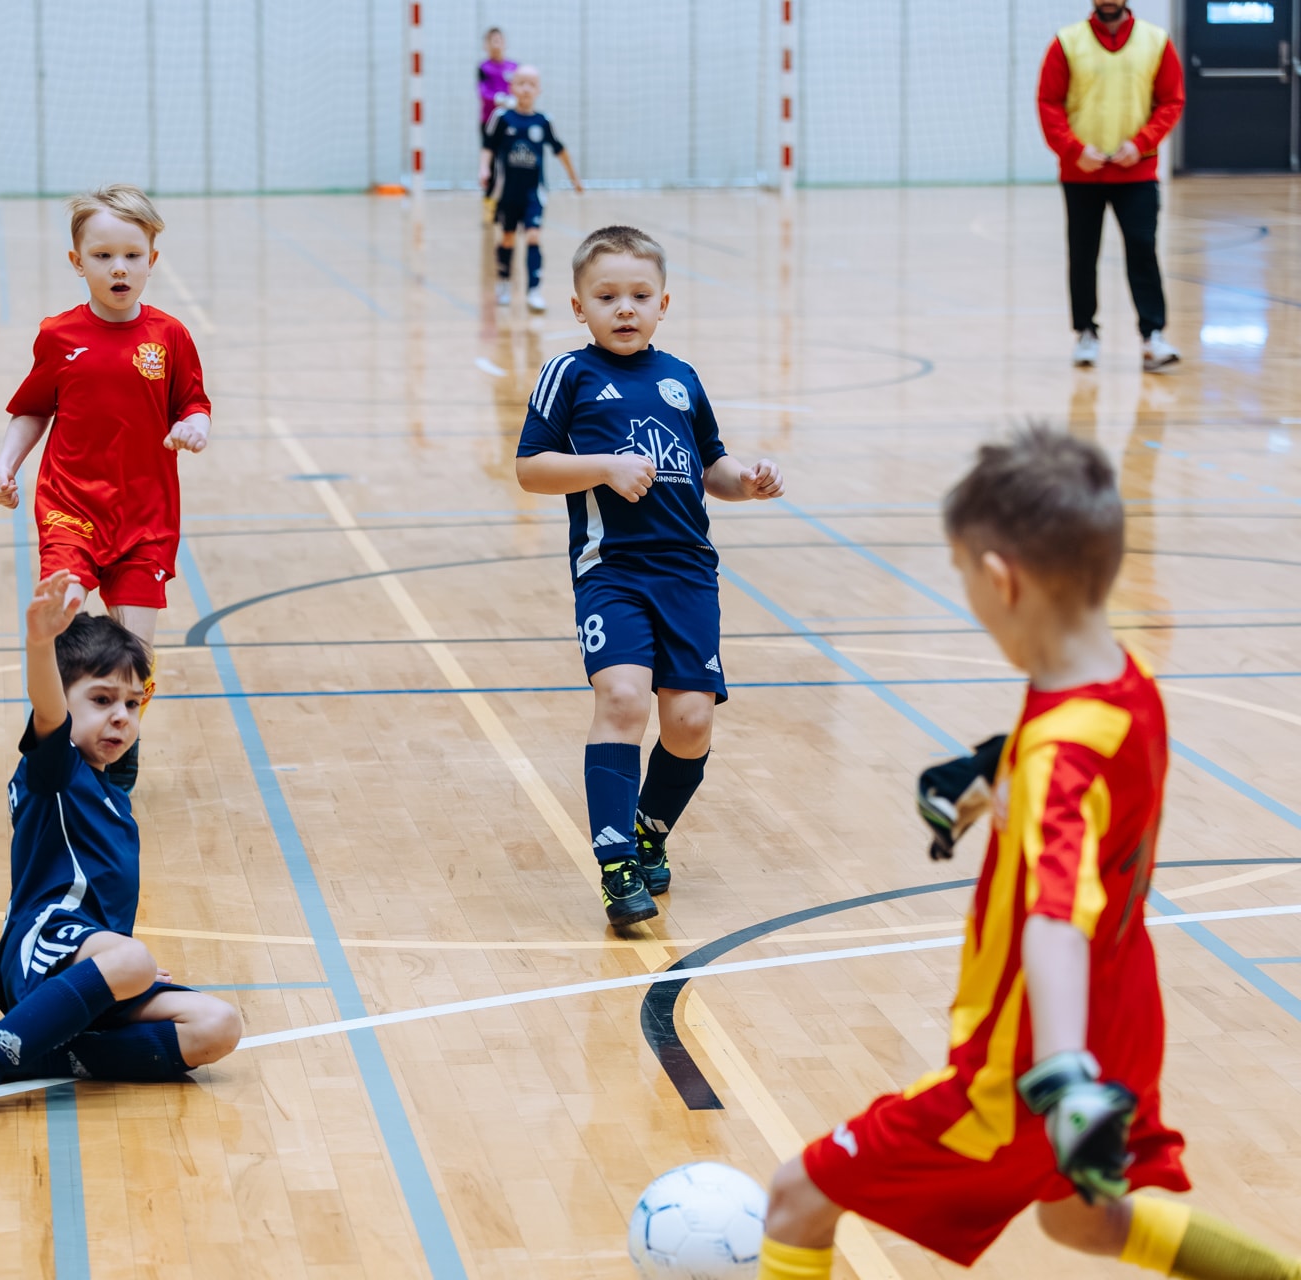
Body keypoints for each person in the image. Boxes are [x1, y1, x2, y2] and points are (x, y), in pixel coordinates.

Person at [757, 429, 1301, 1280]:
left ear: (1001, 579)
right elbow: (1085, 779)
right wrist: (990, 773)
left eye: (964, 576)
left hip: (1026, 1062)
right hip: (1121, 1017)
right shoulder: (1128, 682)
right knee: (1085, 1224)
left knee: (797, 1197)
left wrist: (1061, 1079)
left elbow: (1054, 920)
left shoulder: (1057, 759)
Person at [515, 226, 782, 926]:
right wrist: (604, 467)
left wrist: (747, 481)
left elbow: (711, 465)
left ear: (663, 303)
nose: (624, 308)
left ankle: (648, 832)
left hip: (689, 575)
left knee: (690, 723)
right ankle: (615, 866)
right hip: (613, 572)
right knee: (624, 698)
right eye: (606, 297)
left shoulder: (682, 378)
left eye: (639, 296)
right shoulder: (569, 375)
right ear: (579, 307)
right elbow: (530, 468)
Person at [0, 571, 242, 1125]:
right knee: (134, 959)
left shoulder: (112, 791)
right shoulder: (56, 772)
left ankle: (42, 1051)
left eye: (132, 704)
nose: (121, 716)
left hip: (93, 967)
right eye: (102, 699)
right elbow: (48, 709)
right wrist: (41, 643)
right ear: (64, 704)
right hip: (41, 948)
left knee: (218, 1026)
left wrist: (116, 969)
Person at [0, 184, 211, 793]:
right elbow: (33, 408)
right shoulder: (59, 336)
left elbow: (194, 403)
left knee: (134, 655)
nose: (119, 268)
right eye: (103, 255)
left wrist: (196, 425)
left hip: (147, 518)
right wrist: (6, 464)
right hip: (72, 509)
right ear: (77, 261)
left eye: (133, 256)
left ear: (152, 260)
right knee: (58, 628)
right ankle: (50, 741)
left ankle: (119, 749)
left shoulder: (169, 337)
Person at [1038, 0, 1185, 372]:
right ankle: (1085, 332)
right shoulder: (1067, 42)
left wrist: (1141, 144)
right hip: (1081, 171)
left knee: (1142, 248)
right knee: (1083, 253)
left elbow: (1171, 101)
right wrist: (1073, 150)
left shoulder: (1156, 40)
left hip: (1136, 172)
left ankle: (1152, 335)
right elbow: (1049, 102)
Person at [480, 67, 583, 313]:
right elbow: (488, 147)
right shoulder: (502, 117)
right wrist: (483, 169)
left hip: (533, 193)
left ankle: (534, 291)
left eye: (531, 84)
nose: (526, 88)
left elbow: (560, 149)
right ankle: (504, 283)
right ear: (512, 87)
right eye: (521, 83)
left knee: (533, 236)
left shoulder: (543, 121)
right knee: (507, 238)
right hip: (507, 192)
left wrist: (574, 179)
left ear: (539, 90)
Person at [477, 27, 517, 209]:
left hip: (511, 122)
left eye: (499, 40)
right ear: (486, 45)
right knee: (491, 164)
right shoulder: (483, 68)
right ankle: (489, 203)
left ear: (504, 43)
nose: (496, 44)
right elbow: (482, 91)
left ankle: (508, 202)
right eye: (492, 40)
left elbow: (520, 88)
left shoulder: (514, 67)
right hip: (489, 122)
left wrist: (515, 100)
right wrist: (498, 98)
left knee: (511, 161)